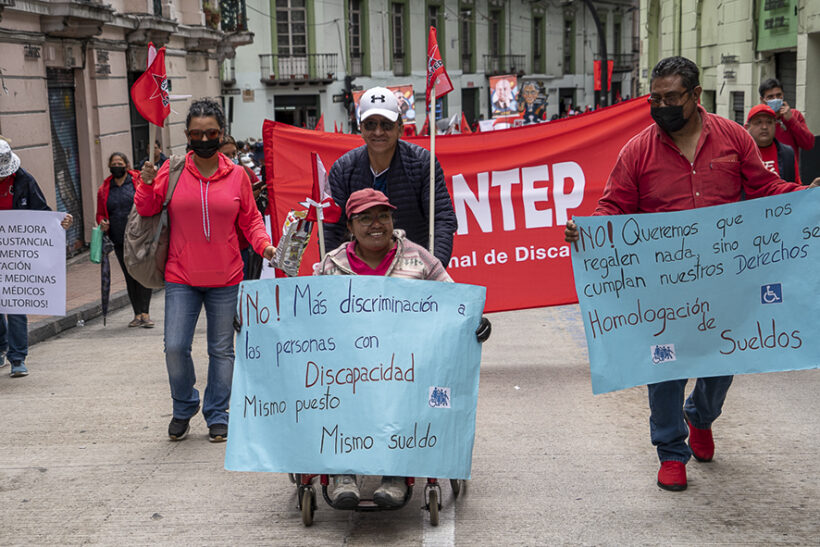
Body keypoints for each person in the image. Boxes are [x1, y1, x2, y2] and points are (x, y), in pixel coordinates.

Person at [564, 56, 820, 492]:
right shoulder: (637, 151)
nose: (661, 105)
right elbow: (614, 207)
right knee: (664, 368)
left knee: (724, 361)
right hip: (663, 290)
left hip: (726, 283)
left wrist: (803, 199)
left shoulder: (733, 138)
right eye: (655, 98)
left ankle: (700, 416)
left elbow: (764, 189)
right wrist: (585, 229)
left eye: (671, 97)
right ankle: (670, 452)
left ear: (696, 96)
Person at [314, 188, 491, 508]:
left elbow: (453, 300)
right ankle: (344, 471)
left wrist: (475, 323)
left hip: (408, 366)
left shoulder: (419, 260)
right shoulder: (331, 265)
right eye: (364, 218)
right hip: (349, 365)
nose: (375, 223)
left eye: (383, 215)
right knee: (335, 389)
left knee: (407, 389)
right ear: (350, 227)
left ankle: (395, 472)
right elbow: (304, 316)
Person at [136, 99, 276, 443]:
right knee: (174, 347)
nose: (203, 138)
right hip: (181, 275)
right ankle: (184, 407)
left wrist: (266, 246)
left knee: (222, 349)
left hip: (226, 277)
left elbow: (251, 220)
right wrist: (146, 182)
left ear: (222, 133)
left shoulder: (238, 175)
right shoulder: (174, 169)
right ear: (186, 135)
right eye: (196, 133)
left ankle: (217, 413)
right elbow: (147, 206)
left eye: (210, 132)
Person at [324, 86, 458, 267]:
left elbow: (442, 218)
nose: (378, 132)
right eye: (370, 124)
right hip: (360, 272)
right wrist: (335, 271)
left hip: (414, 270)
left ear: (400, 128)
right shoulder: (343, 169)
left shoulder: (423, 163)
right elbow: (332, 228)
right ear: (360, 128)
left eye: (386, 125)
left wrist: (434, 267)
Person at [0, 139, 73, 377]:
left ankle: (18, 357)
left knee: (15, 304)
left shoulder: (24, 181)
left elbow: (41, 213)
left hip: (17, 253)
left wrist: (59, 222)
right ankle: (1, 347)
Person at [95, 152, 154, 327]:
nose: (117, 166)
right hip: (119, 239)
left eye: (120, 163)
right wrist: (102, 222)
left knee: (142, 274)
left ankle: (146, 313)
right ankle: (137, 314)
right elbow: (99, 213)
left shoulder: (136, 182)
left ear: (126, 165)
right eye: (114, 163)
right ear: (109, 166)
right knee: (130, 276)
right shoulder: (105, 189)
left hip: (139, 237)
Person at [220, 135, 267, 280]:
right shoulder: (210, 179)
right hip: (219, 250)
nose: (231, 157)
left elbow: (256, 207)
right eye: (226, 154)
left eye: (233, 153)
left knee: (244, 290)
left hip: (243, 246)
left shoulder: (245, 172)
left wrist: (256, 195)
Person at [759, 78, 815, 183]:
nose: (775, 99)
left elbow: (808, 144)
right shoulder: (756, 120)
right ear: (763, 100)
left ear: (783, 95)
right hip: (765, 179)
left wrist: (791, 121)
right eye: (770, 97)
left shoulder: (795, 115)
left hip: (790, 178)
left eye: (778, 95)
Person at [744, 104, 796, 182]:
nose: (764, 127)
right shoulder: (740, 155)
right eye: (758, 122)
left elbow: (795, 186)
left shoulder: (788, 153)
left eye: (769, 122)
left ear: (775, 125)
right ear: (747, 127)